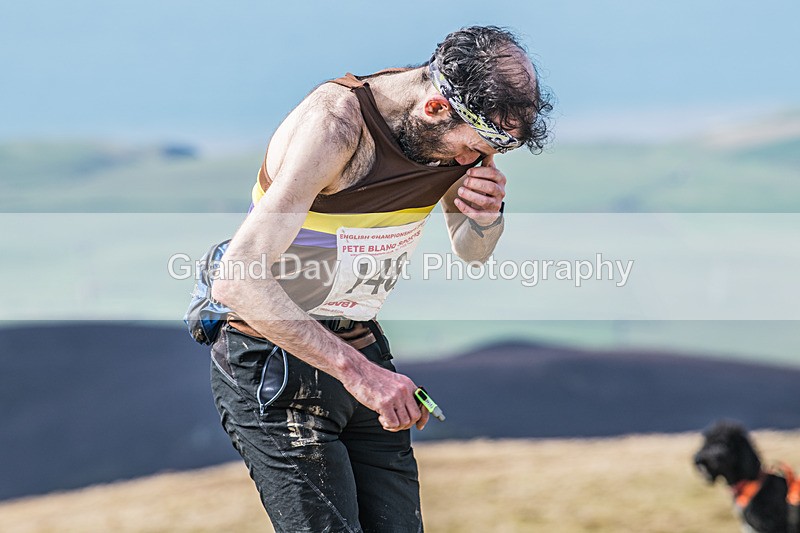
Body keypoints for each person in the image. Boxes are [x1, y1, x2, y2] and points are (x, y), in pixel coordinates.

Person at [209, 25, 552, 533]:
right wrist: (362, 375)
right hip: (273, 360)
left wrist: (486, 218)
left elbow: (471, 251)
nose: (469, 162)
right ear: (435, 107)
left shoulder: (465, 131)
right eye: (470, 148)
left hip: (362, 352)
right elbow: (236, 279)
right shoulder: (334, 128)